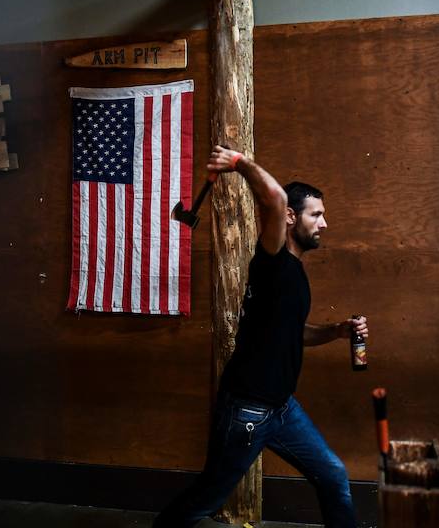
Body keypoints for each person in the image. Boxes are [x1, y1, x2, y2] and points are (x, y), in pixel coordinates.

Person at [154, 145, 368, 528]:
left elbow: (292, 335)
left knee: (333, 475)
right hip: (247, 411)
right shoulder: (271, 259)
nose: (324, 223)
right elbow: (274, 198)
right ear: (289, 217)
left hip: (282, 408)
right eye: (316, 214)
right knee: (208, 496)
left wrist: (335, 332)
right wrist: (238, 163)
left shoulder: (295, 274)